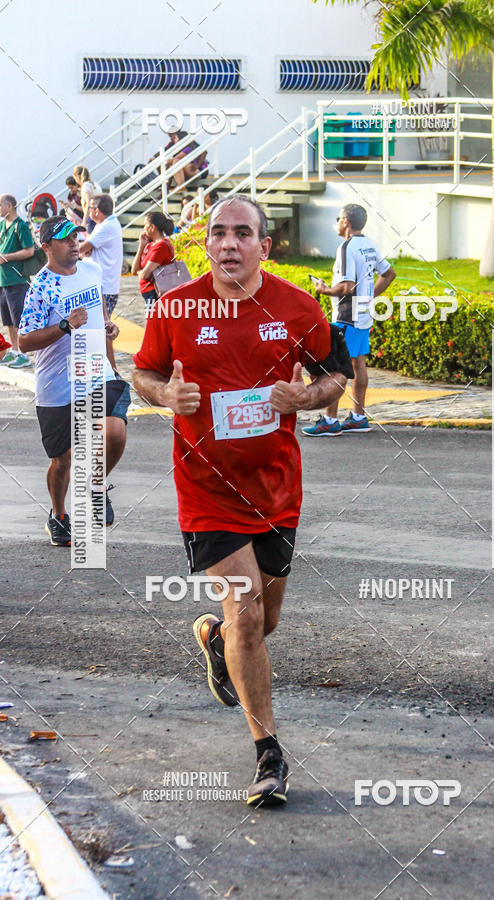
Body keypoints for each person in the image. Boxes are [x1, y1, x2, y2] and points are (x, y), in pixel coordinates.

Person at [132, 197, 351, 807]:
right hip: (205, 489)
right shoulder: (176, 307)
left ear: (264, 246)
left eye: (242, 234)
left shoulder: (296, 307)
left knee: (262, 622)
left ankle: (215, 641)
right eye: (219, 234)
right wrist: (163, 394)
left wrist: (304, 398)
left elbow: (336, 372)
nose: (229, 243)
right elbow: (142, 374)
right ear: (207, 244)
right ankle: (269, 755)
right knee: (249, 615)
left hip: (276, 488)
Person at [18, 216, 130, 546]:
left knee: (115, 430)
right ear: (47, 246)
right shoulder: (40, 286)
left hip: (97, 371)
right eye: (65, 239)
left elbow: (100, 316)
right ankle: (58, 514)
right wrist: (66, 326)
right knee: (62, 460)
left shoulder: (92, 271)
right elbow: (24, 342)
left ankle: (95, 487)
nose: (73, 243)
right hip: (57, 385)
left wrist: (109, 330)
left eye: (75, 237)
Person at [303, 203, 396, 436]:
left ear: (345, 222)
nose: (336, 222)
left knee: (335, 367)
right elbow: (389, 274)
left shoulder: (346, 247)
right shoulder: (368, 245)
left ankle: (330, 421)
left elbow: (346, 286)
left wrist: (323, 290)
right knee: (358, 363)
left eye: (338, 218)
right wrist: (369, 296)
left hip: (346, 316)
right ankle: (358, 417)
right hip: (363, 314)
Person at [0, 193, 35, 368]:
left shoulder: (20, 226)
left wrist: (7, 257)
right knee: (7, 318)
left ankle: (23, 353)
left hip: (17, 279)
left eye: (0, 205)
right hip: (3, 280)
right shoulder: (2, 225)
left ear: (10, 206)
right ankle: (14, 350)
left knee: (19, 317)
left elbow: (29, 251)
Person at [79, 194, 123, 319]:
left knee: (101, 328)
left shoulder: (107, 226)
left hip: (104, 287)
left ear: (96, 210)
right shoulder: (103, 224)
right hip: (100, 285)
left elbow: (82, 249)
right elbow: (87, 250)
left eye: (89, 208)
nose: (88, 212)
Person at [131, 211, 175, 319]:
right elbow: (134, 270)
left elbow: (145, 275)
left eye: (145, 225)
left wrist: (140, 272)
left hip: (156, 293)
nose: (143, 229)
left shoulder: (161, 246)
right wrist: (141, 246)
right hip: (149, 294)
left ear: (152, 227)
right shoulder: (150, 245)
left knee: (153, 326)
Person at [72, 166, 101, 234]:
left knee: (90, 241)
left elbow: (89, 204)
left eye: (75, 178)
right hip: (99, 216)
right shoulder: (95, 184)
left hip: (92, 218)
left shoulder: (85, 186)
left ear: (77, 176)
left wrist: (84, 221)